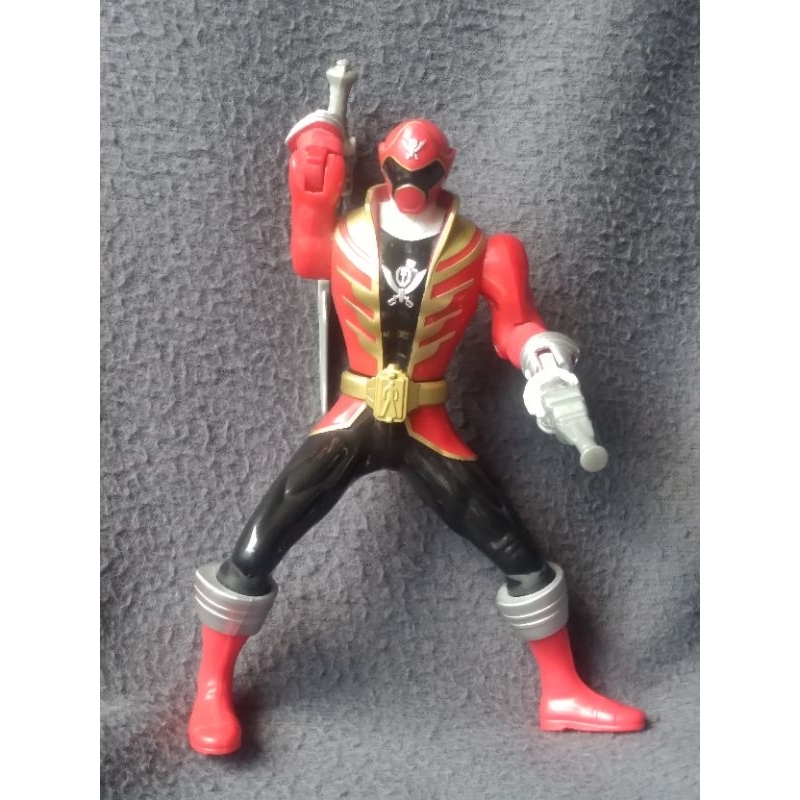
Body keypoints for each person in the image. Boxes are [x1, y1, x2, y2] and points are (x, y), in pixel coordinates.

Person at [188, 118, 646, 755]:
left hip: (426, 423)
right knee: (259, 544)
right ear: (381, 162)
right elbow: (307, 252)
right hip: (352, 417)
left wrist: (541, 354)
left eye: (425, 171)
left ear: (448, 165)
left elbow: (515, 324)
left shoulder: (486, 250)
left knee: (514, 547)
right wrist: (313, 170)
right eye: (400, 170)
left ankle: (563, 691)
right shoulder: (347, 233)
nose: (411, 182)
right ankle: (210, 688)